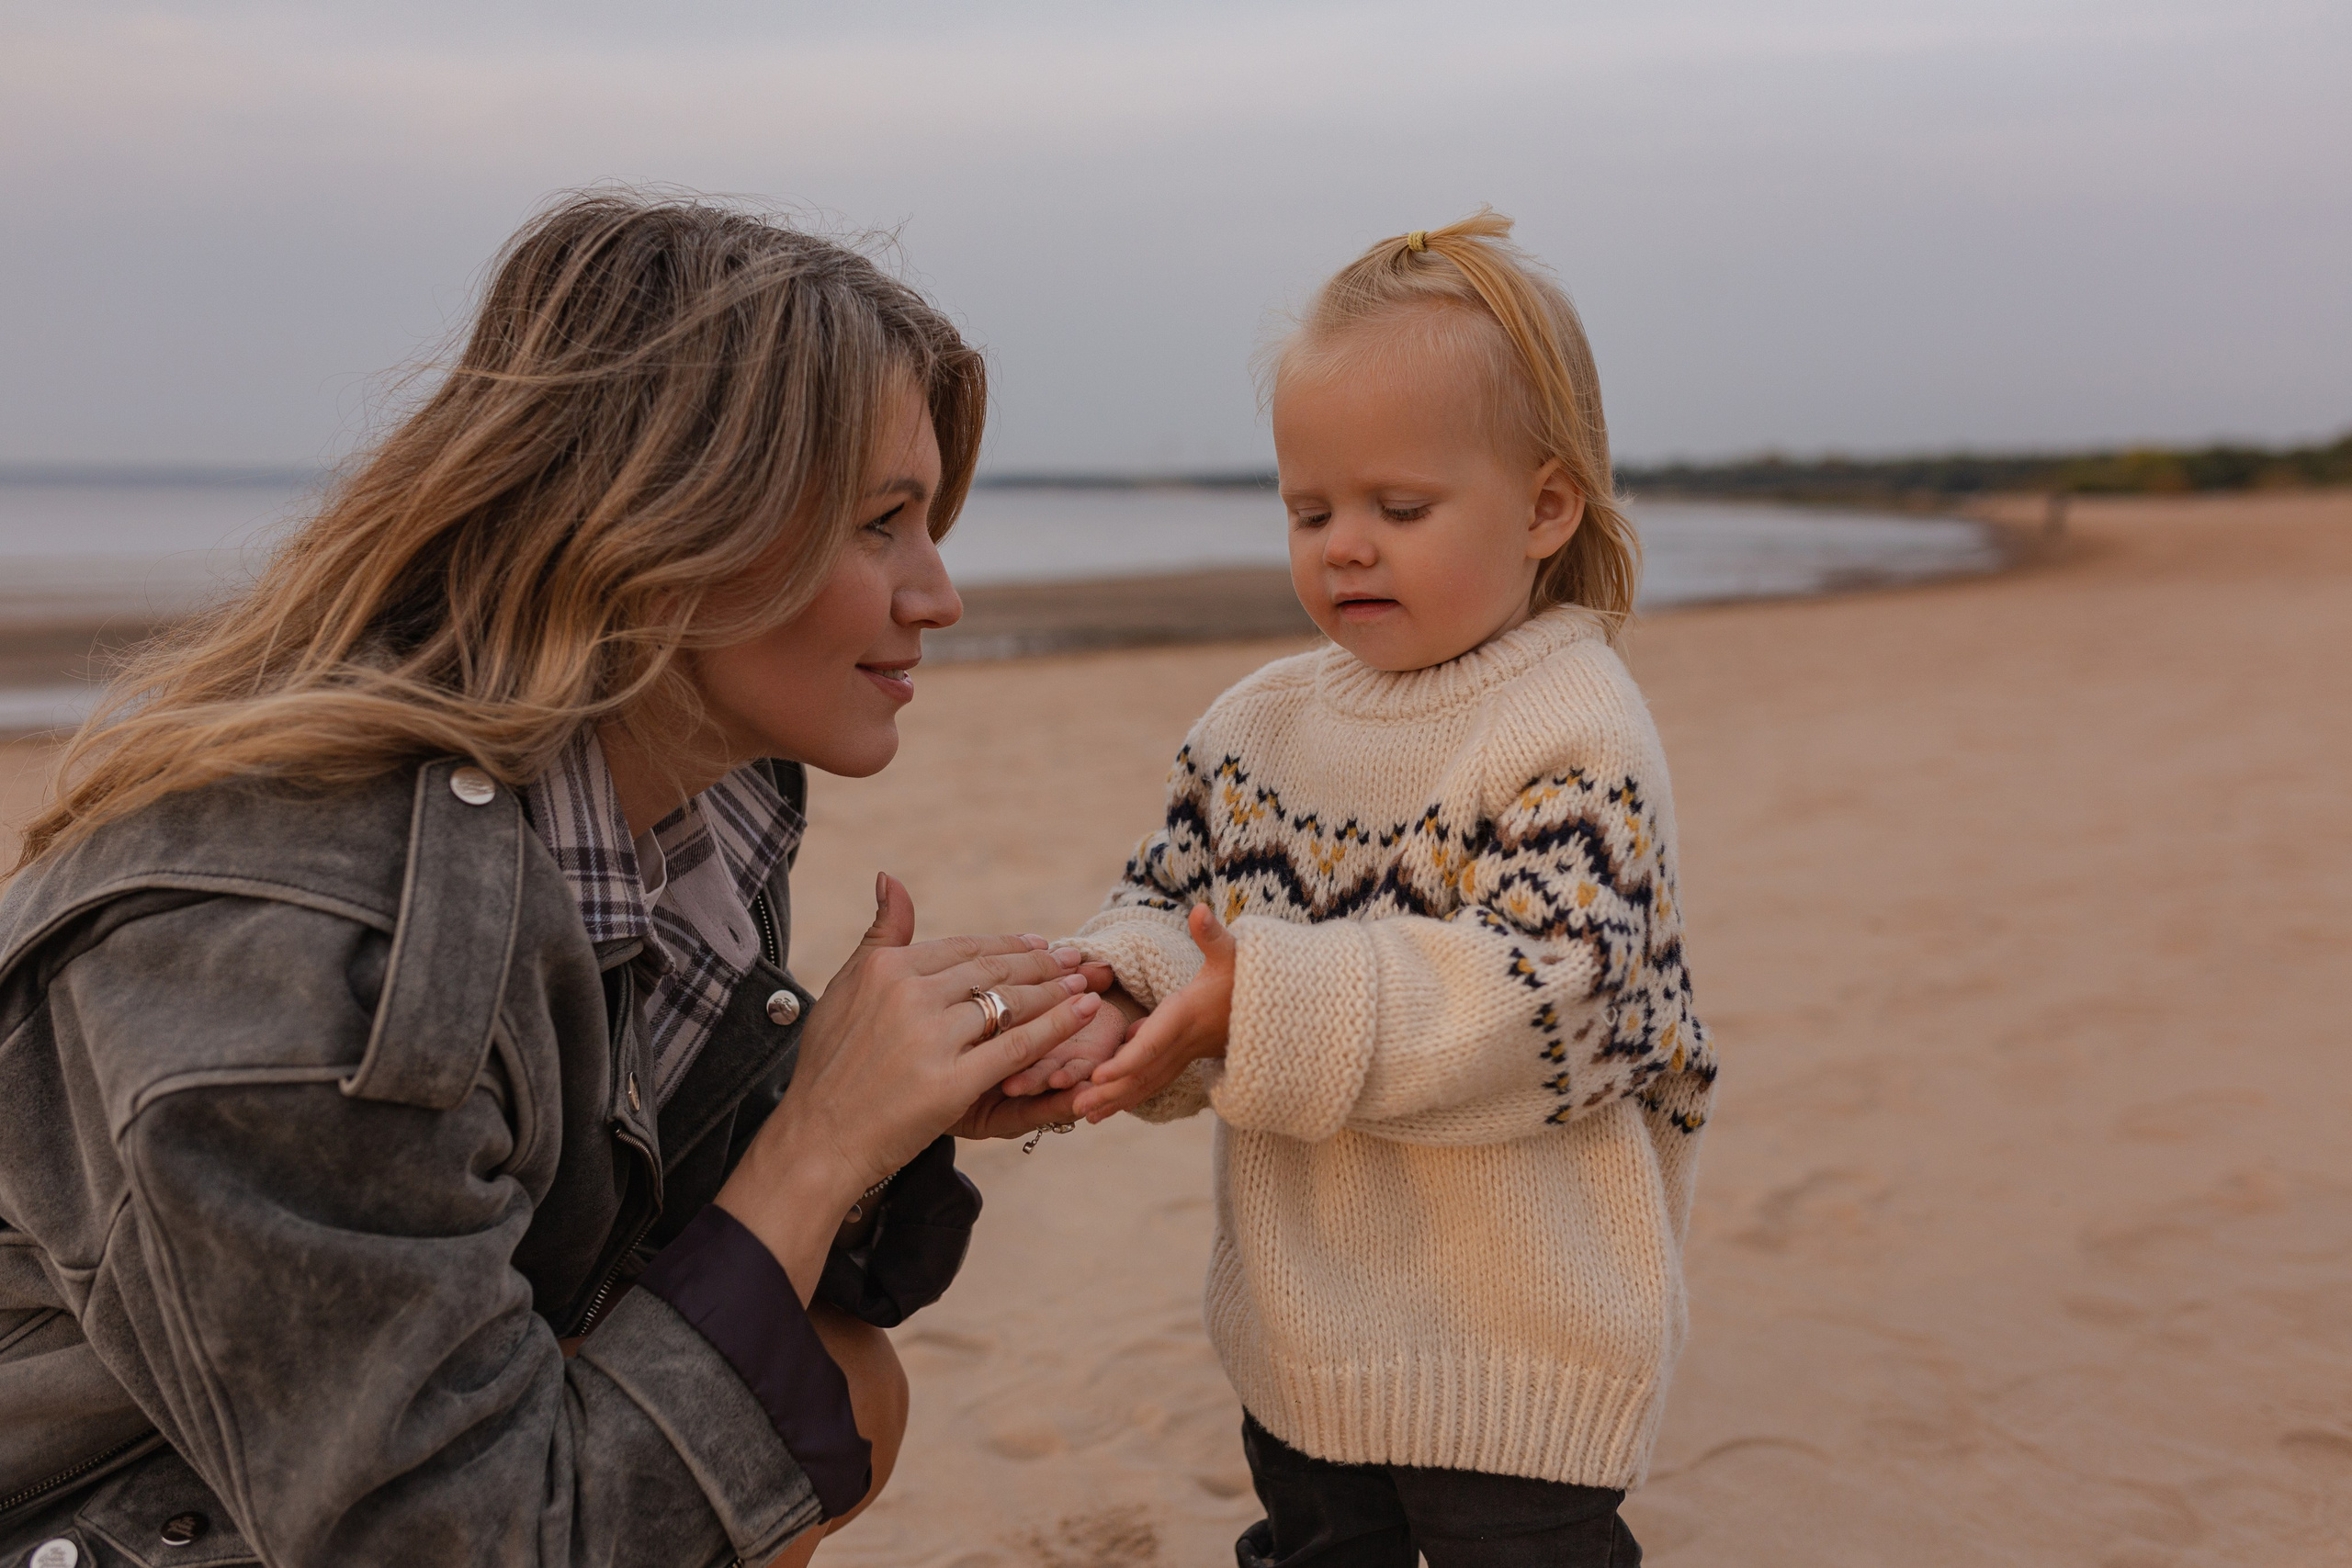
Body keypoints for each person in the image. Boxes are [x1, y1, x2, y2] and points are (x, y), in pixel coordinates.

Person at [0, 193, 1108, 1568]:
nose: (939, 596)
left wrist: (884, 1103)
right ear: (664, 525)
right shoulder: (301, 952)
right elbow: (461, 1544)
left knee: (839, 1385)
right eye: (882, 523)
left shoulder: (672, 812)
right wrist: (819, 1138)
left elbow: (629, 1231)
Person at [1012, 214, 1717, 1566]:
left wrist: (1258, 1001)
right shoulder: (1254, 727)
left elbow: (1551, 998)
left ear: (1546, 509)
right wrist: (1122, 999)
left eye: (1399, 511)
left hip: (1520, 1346)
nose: (1344, 546)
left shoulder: (1574, 725)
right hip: (1303, 1336)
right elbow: (1162, 908)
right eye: (1309, 510)